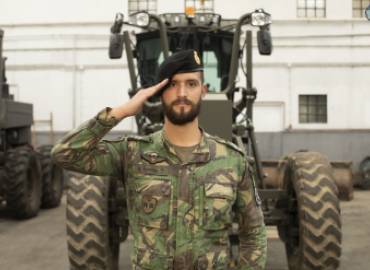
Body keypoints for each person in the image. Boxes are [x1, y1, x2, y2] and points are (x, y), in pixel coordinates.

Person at [52, 49, 267, 270]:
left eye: (191, 84)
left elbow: (253, 233)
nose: (181, 93)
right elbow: (64, 153)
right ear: (159, 93)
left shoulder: (232, 160)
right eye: (172, 85)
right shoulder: (133, 154)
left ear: (203, 91)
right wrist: (122, 111)